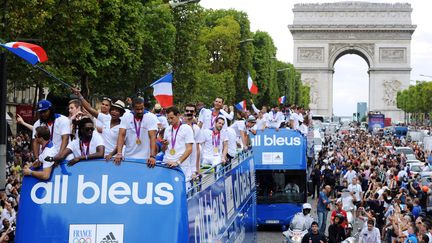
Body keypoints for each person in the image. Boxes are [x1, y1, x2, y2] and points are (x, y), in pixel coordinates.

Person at [73, 87, 125, 158]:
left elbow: (121, 143)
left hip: (114, 158)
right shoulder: (106, 118)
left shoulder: (123, 126)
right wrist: (79, 95)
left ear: (121, 114)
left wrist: (111, 154)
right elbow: (89, 108)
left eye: (117, 111)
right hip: (100, 155)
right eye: (113, 109)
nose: (114, 112)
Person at [114, 97, 158, 167]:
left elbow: (152, 137)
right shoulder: (126, 116)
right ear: (133, 108)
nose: (140, 111)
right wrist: (119, 153)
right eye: (137, 109)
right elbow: (121, 135)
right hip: (128, 157)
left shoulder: (151, 117)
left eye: (142, 108)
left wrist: (152, 156)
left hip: (145, 159)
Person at [32, 99, 71, 163]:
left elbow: (65, 138)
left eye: (45, 111)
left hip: (62, 156)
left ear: (51, 110)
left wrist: (59, 155)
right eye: (41, 112)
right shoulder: (37, 124)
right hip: (45, 157)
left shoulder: (63, 120)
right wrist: (37, 159)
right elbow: (35, 142)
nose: (43, 114)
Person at [162, 107, 194, 181]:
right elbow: (164, 150)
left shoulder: (186, 128)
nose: (170, 120)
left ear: (178, 115)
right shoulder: (167, 129)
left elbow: (189, 149)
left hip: (181, 165)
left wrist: (178, 162)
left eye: (172, 118)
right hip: (168, 162)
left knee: (183, 189)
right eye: (168, 118)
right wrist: (164, 145)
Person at [183, 104, 201, 179]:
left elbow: (197, 150)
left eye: (191, 111)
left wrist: (196, 169)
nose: (189, 112)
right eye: (187, 110)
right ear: (184, 112)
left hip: (190, 164)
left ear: (194, 113)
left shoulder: (197, 128)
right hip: (179, 161)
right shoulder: (179, 126)